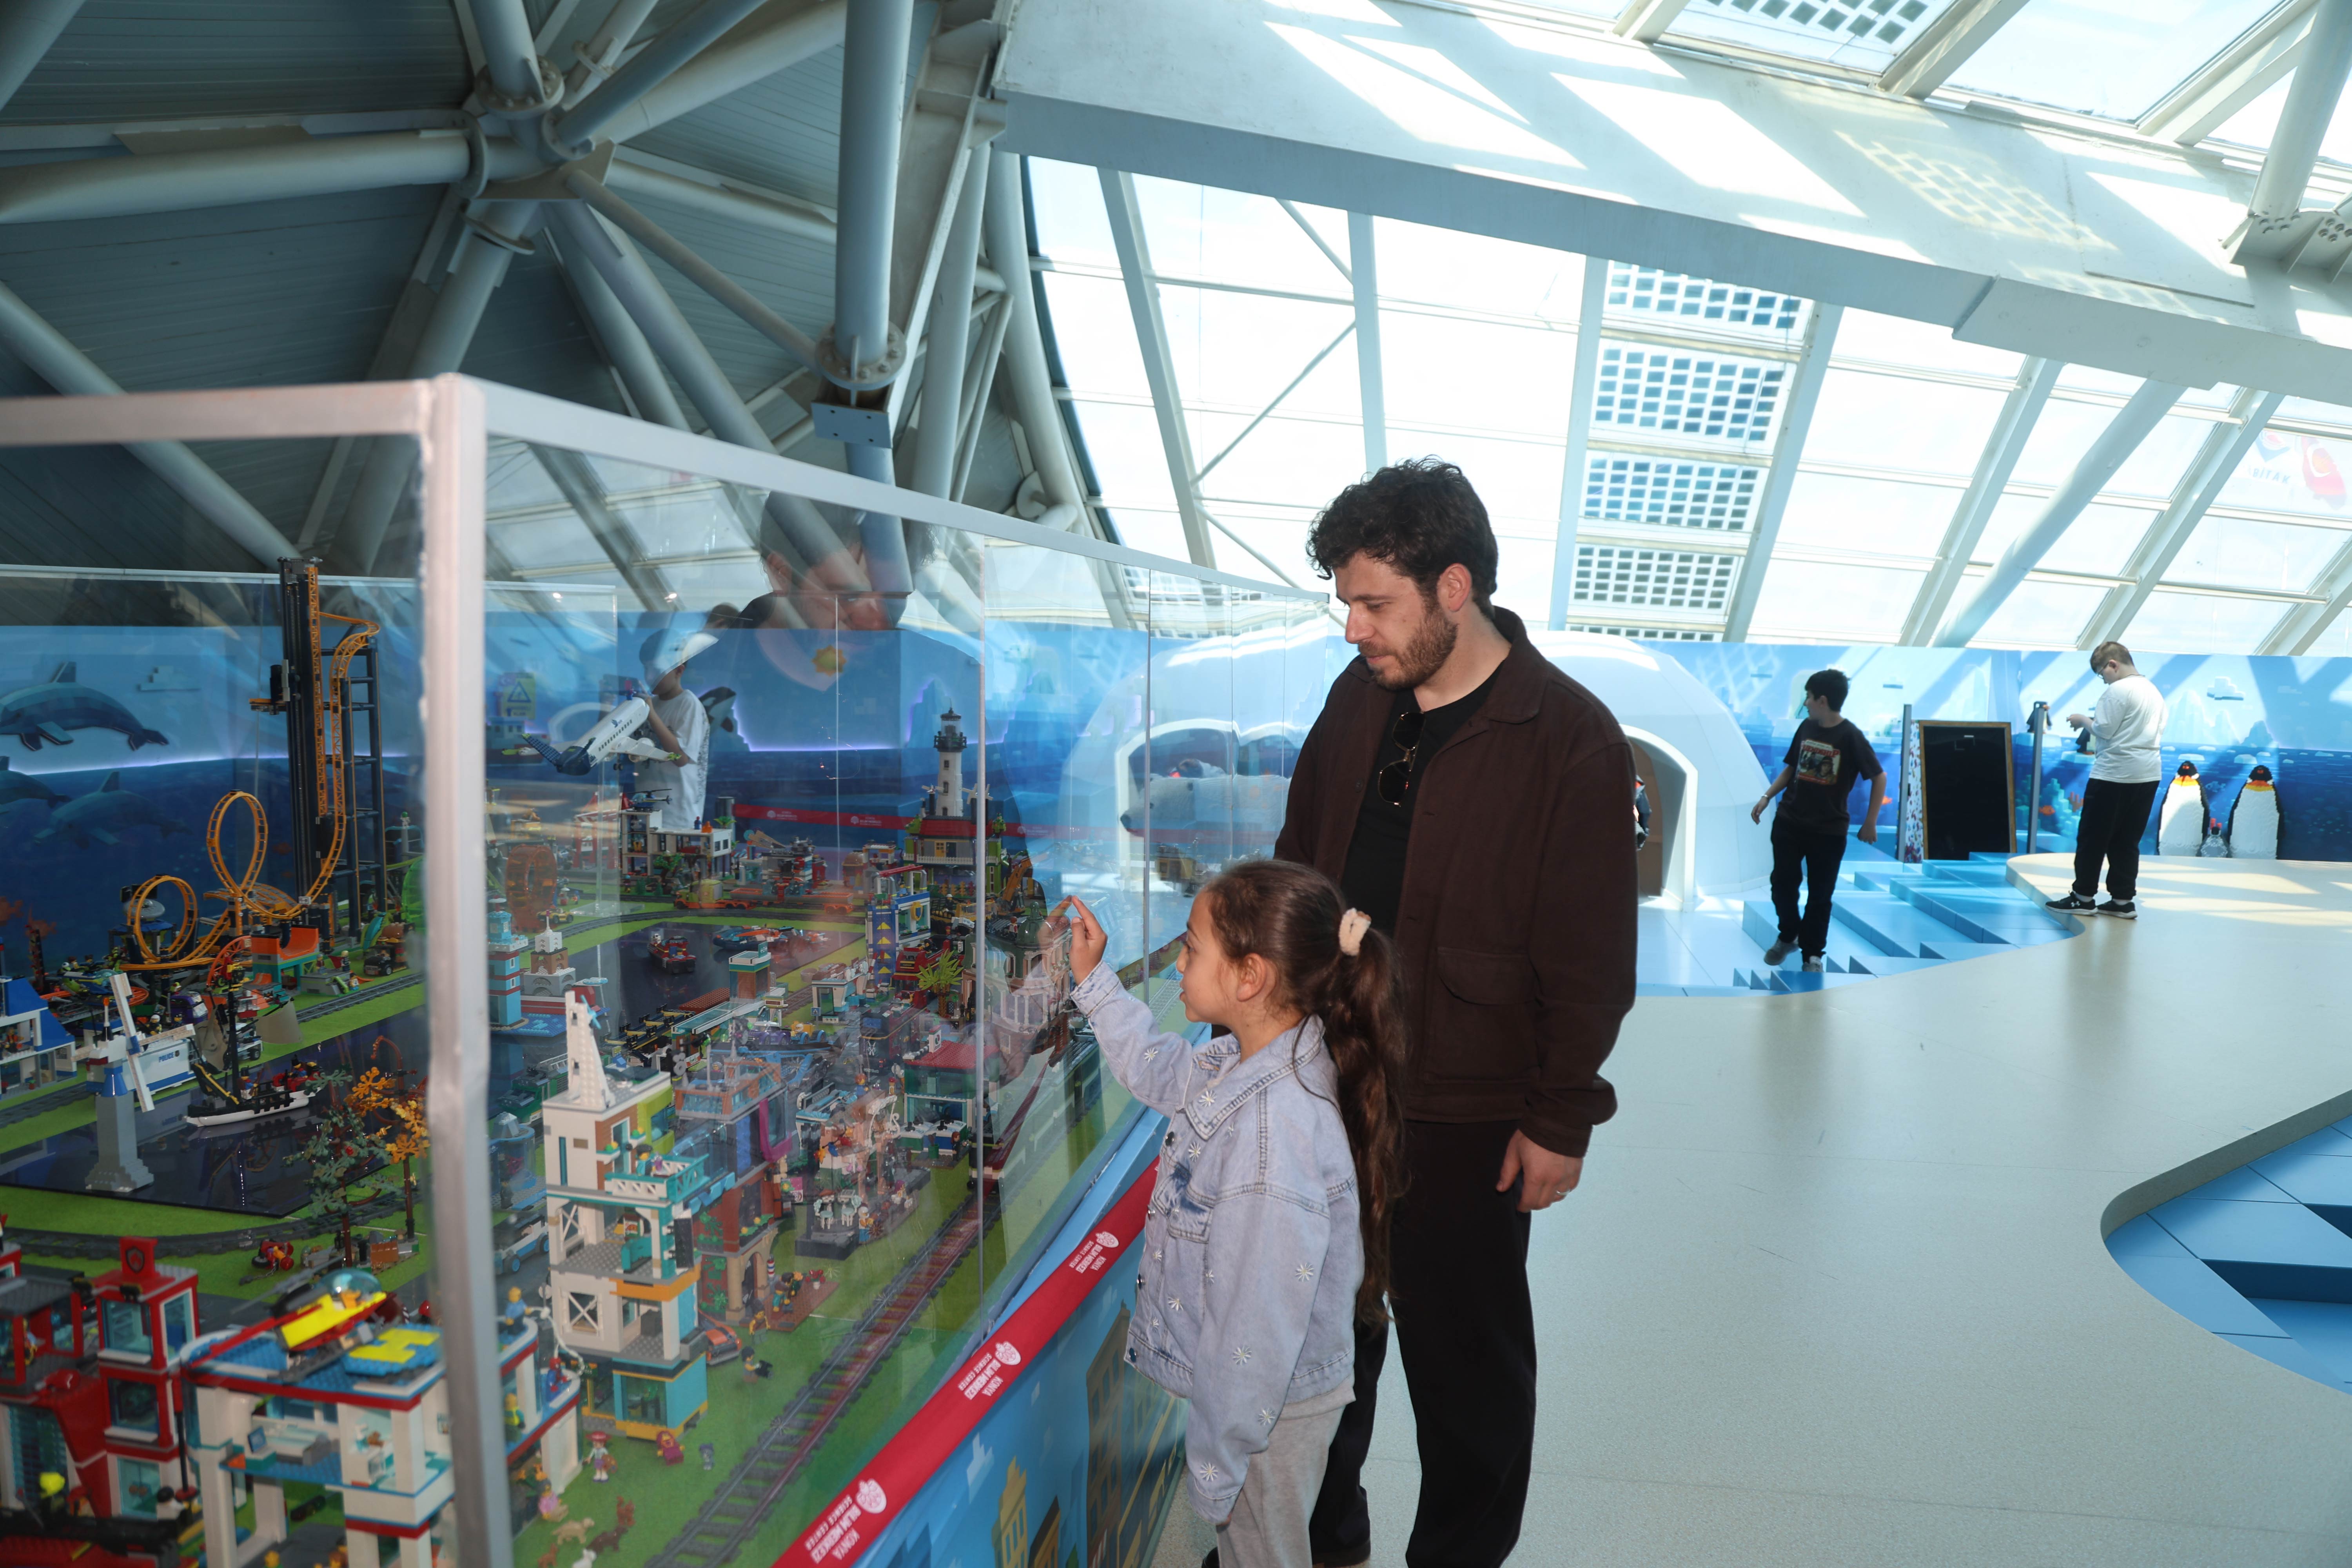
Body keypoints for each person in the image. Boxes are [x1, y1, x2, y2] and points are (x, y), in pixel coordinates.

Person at [1274, 459, 1637, 1568]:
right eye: (1344, 602)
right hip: (1329, 1079)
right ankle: (1314, 1543)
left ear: (1454, 587)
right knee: (1317, 1352)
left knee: (1466, 1372)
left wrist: (1559, 1116)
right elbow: (1298, 860)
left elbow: (1592, 955)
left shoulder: (1568, 737)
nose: (1353, 629)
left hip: (1468, 1108)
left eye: (1373, 603)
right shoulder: (1359, 699)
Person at [1060, 860, 1406, 1568]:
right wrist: (1094, 982)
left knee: (1262, 1553)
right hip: (1262, 1408)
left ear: (1250, 978)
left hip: (1265, 1417)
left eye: (1192, 949)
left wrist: (1217, 1463)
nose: (1179, 964)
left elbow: (1253, 1332)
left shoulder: (1269, 1144)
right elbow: (1160, 1067)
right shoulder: (1247, 1061)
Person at [1749, 669, 1886, 971]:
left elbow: (1879, 777)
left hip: (1828, 831)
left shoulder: (1851, 736)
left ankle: (1813, 955)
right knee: (1782, 886)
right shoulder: (1806, 727)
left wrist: (1871, 822)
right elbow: (1791, 769)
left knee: (1820, 896)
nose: (1806, 703)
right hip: (1790, 822)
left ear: (1822, 701)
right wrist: (1767, 796)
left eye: (1809, 697)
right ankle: (1789, 935)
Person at [2047, 641, 2168, 919]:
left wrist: (2083, 720)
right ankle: (2123, 900)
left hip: (2114, 774)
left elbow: (2105, 730)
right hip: (2148, 774)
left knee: (2093, 837)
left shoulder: (2118, 691)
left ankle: (2083, 897)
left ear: (2113, 664)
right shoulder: (2153, 691)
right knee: (2127, 840)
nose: (2104, 680)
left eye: (2103, 673)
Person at [635, 621, 716, 832]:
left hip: (677, 816)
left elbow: (680, 758)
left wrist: (651, 714)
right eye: (646, 668)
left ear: (679, 671)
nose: (649, 677)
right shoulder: (651, 704)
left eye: (657, 670)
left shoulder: (688, 704)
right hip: (646, 809)